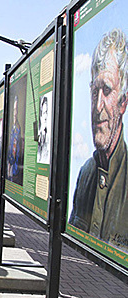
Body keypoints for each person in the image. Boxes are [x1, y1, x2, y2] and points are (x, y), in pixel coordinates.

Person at [69, 28, 128, 249]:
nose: (97, 106)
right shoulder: (86, 173)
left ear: (123, 102)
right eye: (95, 92)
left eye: (107, 90)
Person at [6, 95, 24, 185]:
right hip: (10, 160)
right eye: (14, 111)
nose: (14, 114)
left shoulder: (17, 128)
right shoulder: (11, 128)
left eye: (16, 111)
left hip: (15, 161)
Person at [37, 95, 51, 164]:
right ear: (41, 115)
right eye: (44, 113)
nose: (45, 116)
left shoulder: (48, 138)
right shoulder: (37, 135)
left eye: (46, 112)